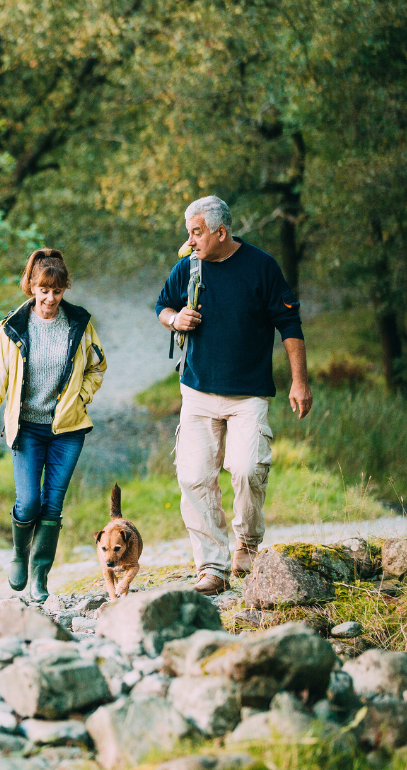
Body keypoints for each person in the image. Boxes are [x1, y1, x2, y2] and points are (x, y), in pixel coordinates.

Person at [156, 196, 313, 596]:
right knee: (193, 477)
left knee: (246, 470)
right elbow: (162, 305)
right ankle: (211, 565)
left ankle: (246, 542)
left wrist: (299, 382)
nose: (190, 241)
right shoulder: (188, 267)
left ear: (220, 232)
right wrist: (176, 319)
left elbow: (289, 323)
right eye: (188, 233)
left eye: (196, 233)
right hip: (196, 391)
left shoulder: (261, 267)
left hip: (248, 395)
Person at [0, 249, 106, 601]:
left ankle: (40, 575)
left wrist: (81, 397)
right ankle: (20, 553)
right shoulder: (12, 329)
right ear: (32, 287)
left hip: (68, 430)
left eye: (56, 292)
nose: (49, 299)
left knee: (53, 505)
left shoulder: (79, 323)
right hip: (27, 429)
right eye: (43, 291)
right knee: (29, 502)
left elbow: (97, 366)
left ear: (64, 291)